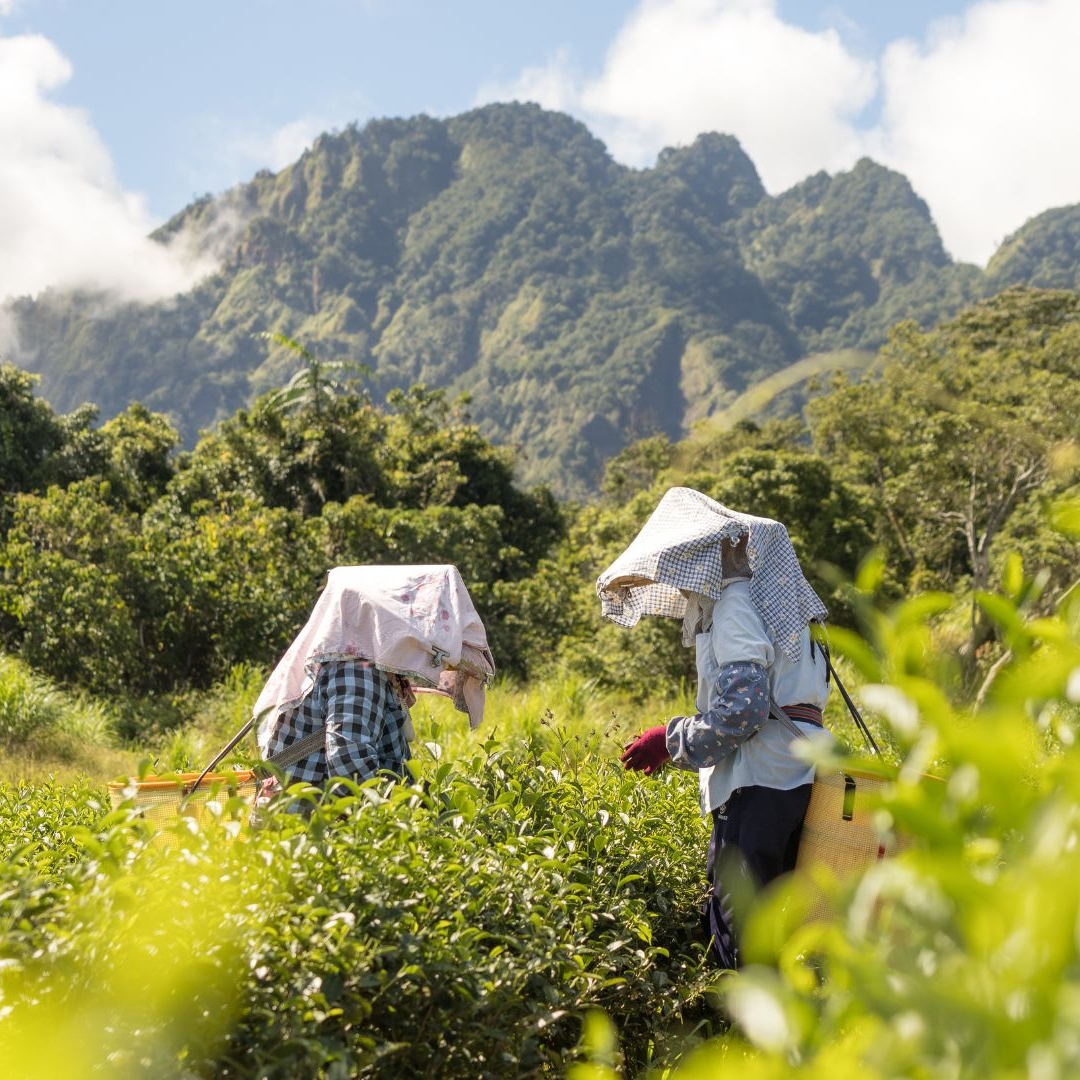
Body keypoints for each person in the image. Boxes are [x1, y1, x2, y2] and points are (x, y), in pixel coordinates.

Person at [596, 486, 832, 970]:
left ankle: (745, 1039)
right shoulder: (785, 614)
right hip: (801, 778)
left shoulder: (736, 605)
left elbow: (741, 711)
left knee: (741, 934)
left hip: (760, 784)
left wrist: (669, 739)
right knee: (787, 929)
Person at [254, 564, 495, 800]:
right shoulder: (357, 672)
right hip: (308, 829)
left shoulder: (371, 668)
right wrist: (410, 807)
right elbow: (351, 773)